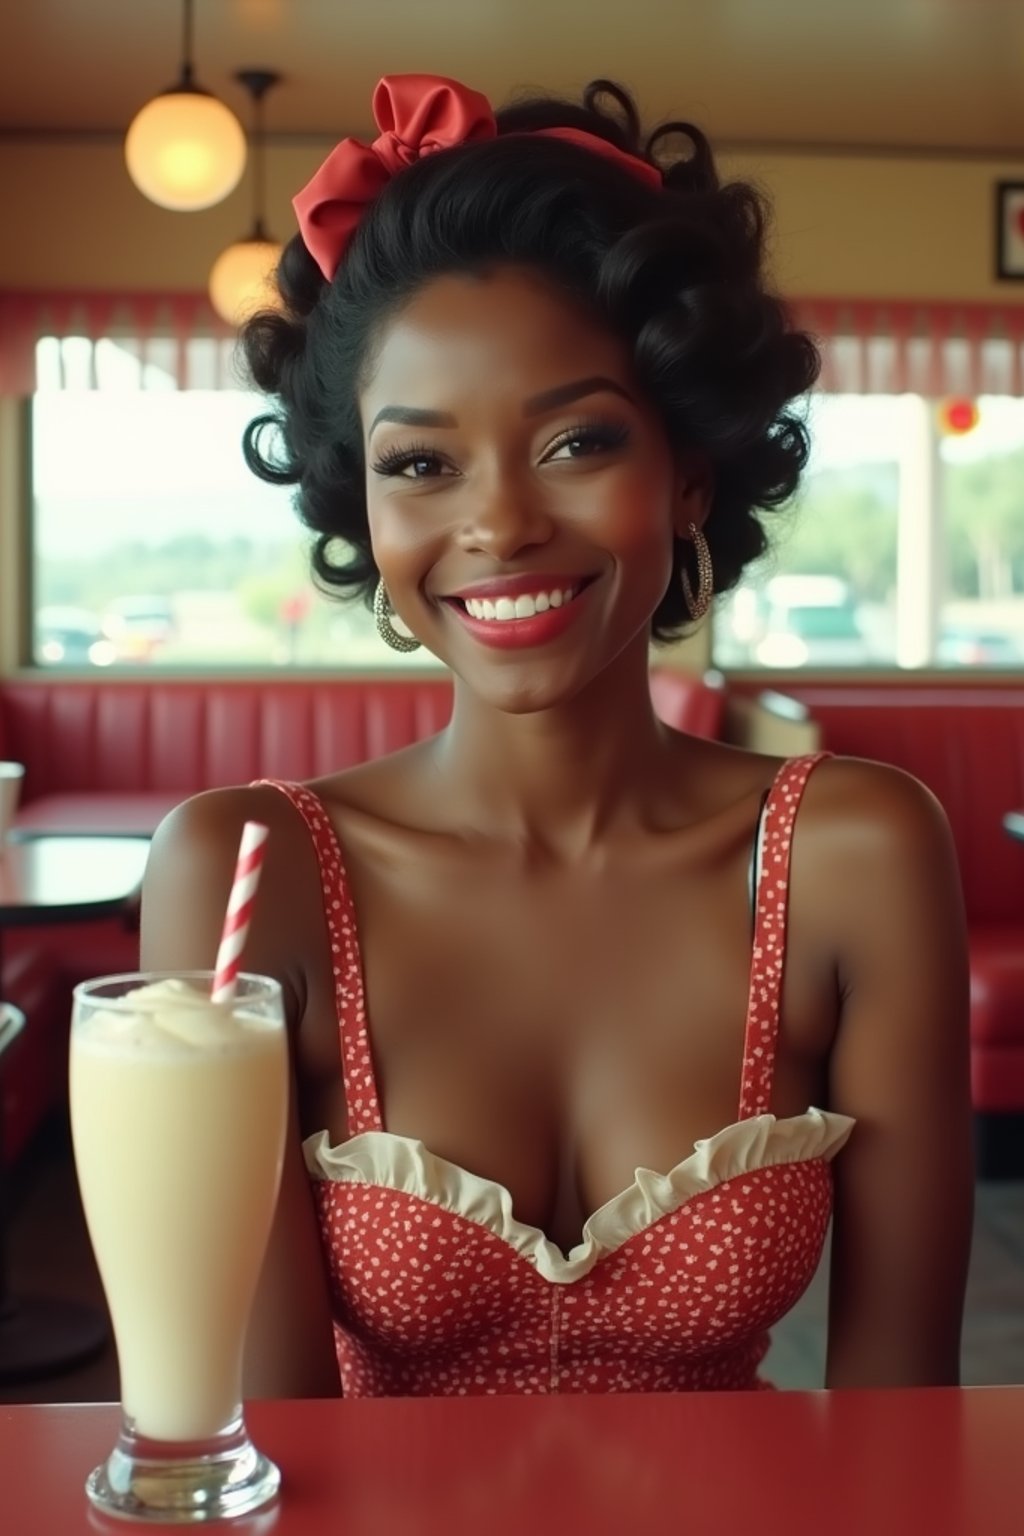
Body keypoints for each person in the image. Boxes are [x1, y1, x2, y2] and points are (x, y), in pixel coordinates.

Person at [142, 74, 973, 1397]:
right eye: (421, 463)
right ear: (362, 505)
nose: (500, 525)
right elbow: (272, 1451)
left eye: (577, 440)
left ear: (687, 467)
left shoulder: (850, 852)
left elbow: (902, 1416)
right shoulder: (245, 872)